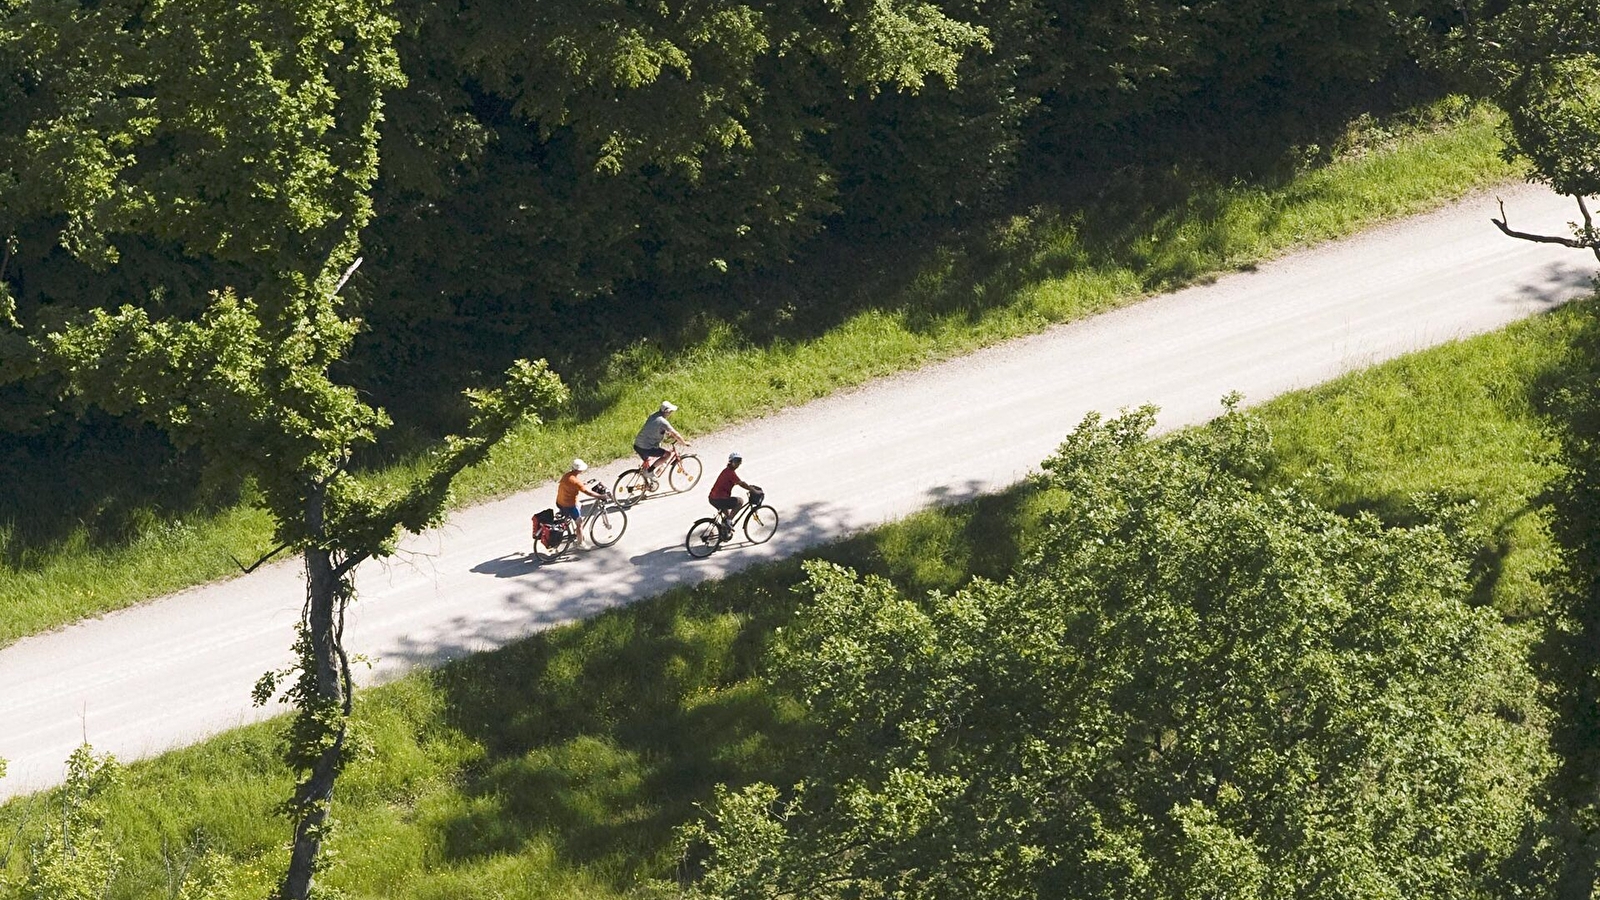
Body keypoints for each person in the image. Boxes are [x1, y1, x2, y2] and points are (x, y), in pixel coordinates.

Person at [633, 400, 689, 486]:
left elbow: (652, 428)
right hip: (646, 447)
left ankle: (646, 484)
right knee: (667, 454)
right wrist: (683, 442)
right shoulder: (663, 421)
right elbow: (675, 433)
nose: (671, 413)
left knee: (647, 461)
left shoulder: (653, 416)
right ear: (666, 411)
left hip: (637, 444)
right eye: (670, 412)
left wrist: (665, 433)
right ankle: (649, 471)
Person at [708, 452, 759, 535]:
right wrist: (752, 490)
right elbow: (741, 483)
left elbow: (739, 482)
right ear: (731, 462)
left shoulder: (726, 471)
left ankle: (724, 532)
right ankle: (728, 522)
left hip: (713, 498)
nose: (738, 463)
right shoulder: (730, 473)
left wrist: (747, 486)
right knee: (740, 501)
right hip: (719, 499)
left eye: (739, 461)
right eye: (736, 461)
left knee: (727, 515)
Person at [556, 459, 604, 547]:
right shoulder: (576, 482)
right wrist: (600, 496)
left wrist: (583, 483)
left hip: (560, 502)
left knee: (580, 504)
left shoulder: (567, 476)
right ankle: (580, 544)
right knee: (579, 522)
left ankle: (575, 530)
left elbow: (573, 484)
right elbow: (587, 492)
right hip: (568, 505)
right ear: (579, 470)